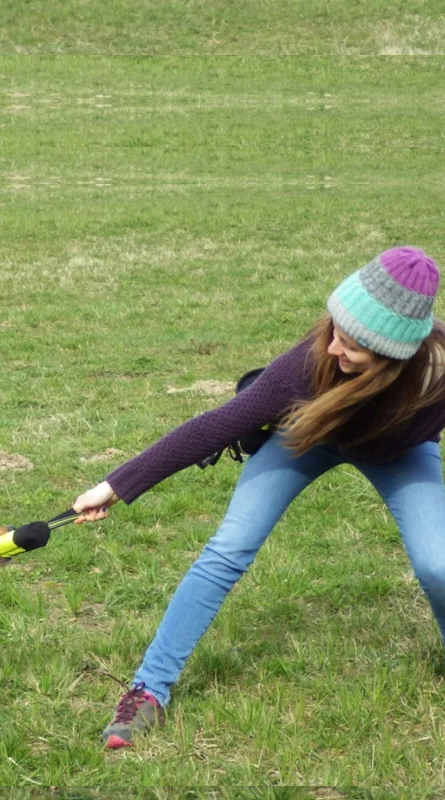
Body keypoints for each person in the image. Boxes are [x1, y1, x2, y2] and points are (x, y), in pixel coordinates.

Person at [72, 247, 445, 749]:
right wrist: (115, 486)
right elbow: (217, 425)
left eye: (352, 346)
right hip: (307, 436)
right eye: (336, 328)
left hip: (397, 451)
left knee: (438, 564)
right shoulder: (309, 363)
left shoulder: (434, 378)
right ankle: (148, 689)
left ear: (392, 357)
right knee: (228, 548)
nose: (334, 346)